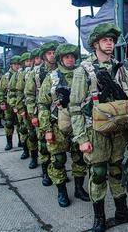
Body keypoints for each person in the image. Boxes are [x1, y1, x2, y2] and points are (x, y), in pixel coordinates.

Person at [69, 23, 128, 232]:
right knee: (99, 173)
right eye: (105, 40)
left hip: (119, 129)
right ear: (95, 44)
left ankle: (122, 211)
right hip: (96, 131)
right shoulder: (83, 71)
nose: (109, 43)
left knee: (118, 171)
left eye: (111, 40)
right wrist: (82, 139)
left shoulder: (120, 68)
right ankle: (99, 218)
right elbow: (75, 107)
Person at [38, 43, 89, 207]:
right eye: (67, 57)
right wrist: (46, 129)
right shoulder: (52, 78)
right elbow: (43, 105)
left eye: (73, 56)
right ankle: (61, 192)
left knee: (79, 158)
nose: (70, 59)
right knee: (58, 159)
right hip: (57, 124)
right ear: (60, 59)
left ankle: (79, 189)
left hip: (78, 125)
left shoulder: (82, 75)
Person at [25, 43, 58, 186]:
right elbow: (30, 95)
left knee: (58, 147)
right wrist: (33, 115)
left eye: (54, 52)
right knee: (44, 145)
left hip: (59, 113)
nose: (52, 55)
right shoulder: (36, 73)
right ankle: (45, 173)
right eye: (49, 53)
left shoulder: (62, 70)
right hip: (42, 113)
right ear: (44, 56)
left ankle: (57, 172)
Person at [0, 55, 21, 151]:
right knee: (8, 123)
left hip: (19, 103)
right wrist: (2, 102)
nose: (17, 66)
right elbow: (0, 90)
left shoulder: (22, 74)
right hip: (8, 104)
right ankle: (9, 142)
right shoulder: (6, 77)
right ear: (11, 65)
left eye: (18, 64)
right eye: (15, 64)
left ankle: (22, 141)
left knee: (21, 124)